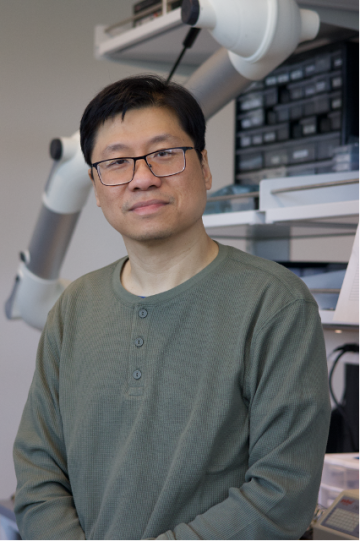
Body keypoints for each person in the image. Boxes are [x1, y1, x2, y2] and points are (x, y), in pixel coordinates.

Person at [13, 75, 331, 541]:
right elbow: (38, 470)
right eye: (117, 162)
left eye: (164, 153)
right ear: (96, 185)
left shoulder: (275, 303)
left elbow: (283, 492)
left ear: (203, 166)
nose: (142, 177)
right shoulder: (73, 307)